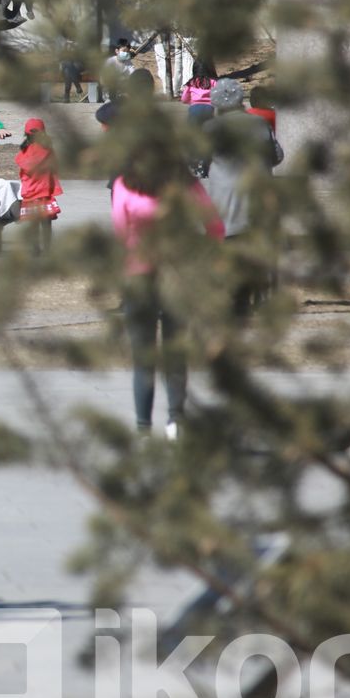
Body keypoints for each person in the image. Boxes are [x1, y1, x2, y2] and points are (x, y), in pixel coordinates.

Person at [111, 161, 225, 438]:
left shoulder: (124, 182)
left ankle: (143, 428)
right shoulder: (186, 183)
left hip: (139, 277)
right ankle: (176, 420)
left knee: (143, 357)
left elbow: (120, 234)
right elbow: (215, 227)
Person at [202, 79, 284, 314]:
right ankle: (260, 293)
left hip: (225, 197)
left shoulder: (211, 128)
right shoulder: (259, 124)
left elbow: (200, 159)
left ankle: (233, 295)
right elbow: (277, 155)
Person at [15, 117, 62, 256]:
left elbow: (23, 174)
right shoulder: (48, 150)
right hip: (44, 193)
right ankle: (47, 250)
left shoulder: (24, 152)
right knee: (46, 224)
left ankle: (34, 250)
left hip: (30, 195)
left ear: (26, 134)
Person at [180, 57, 217, 124]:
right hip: (209, 108)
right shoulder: (213, 82)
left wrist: (190, 101)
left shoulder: (191, 83)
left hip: (194, 107)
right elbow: (218, 95)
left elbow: (184, 99)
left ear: (194, 70)